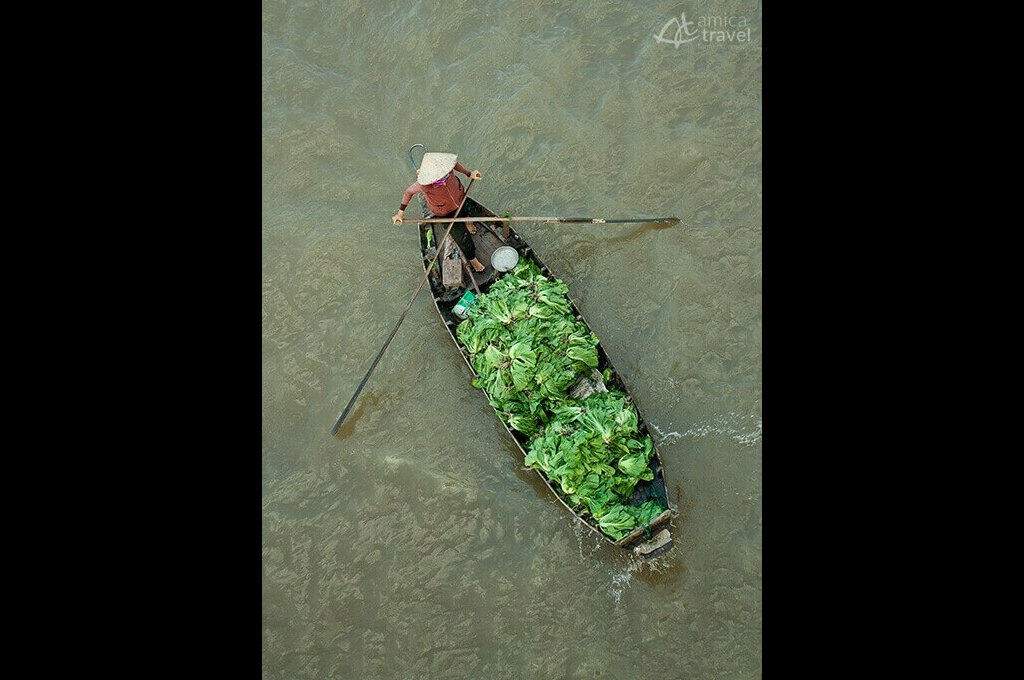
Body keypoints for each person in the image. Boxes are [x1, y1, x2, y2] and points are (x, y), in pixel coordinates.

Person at [393, 152, 485, 272]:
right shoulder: (424, 186)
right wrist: (400, 213)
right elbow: (408, 192)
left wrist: (469, 173)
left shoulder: (447, 168)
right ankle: (473, 260)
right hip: (444, 211)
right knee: (463, 239)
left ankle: (467, 222)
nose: (444, 176)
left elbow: (455, 164)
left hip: (459, 198)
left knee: (464, 211)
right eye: (441, 176)